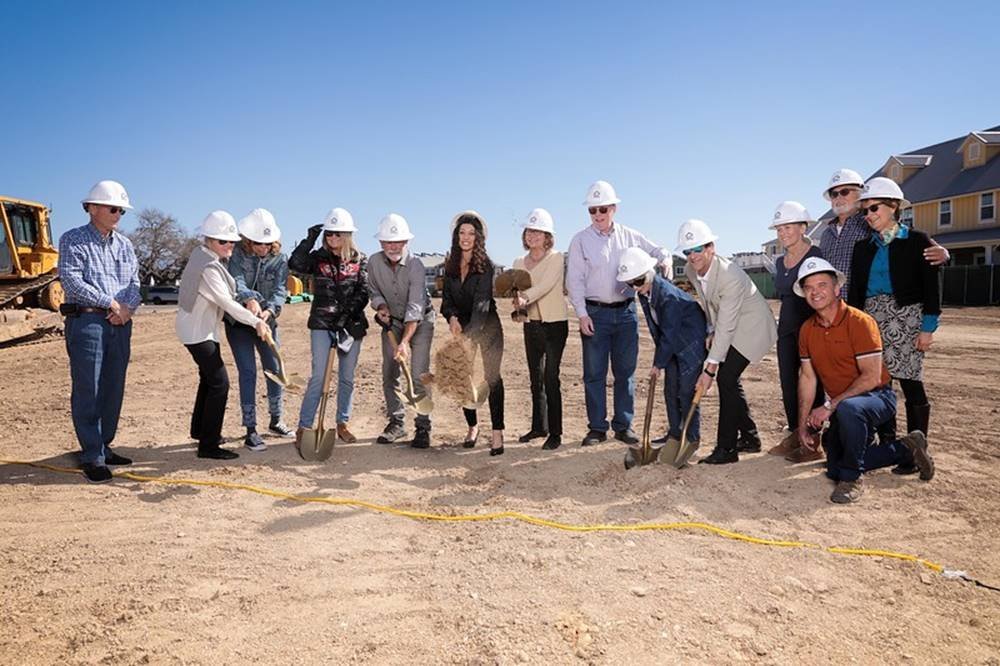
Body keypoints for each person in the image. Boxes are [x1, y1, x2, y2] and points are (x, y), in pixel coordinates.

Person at [795, 258, 934, 504]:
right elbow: (807, 378)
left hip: (877, 397)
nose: (815, 292)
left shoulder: (860, 322)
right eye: (808, 287)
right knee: (833, 468)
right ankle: (907, 448)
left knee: (849, 413)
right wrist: (803, 426)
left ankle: (852, 479)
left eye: (822, 284)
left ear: (837, 289)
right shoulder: (807, 329)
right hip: (843, 405)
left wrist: (829, 406)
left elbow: (870, 377)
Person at [848, 177, 941, 475]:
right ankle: (890, 446)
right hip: (872, 319)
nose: (869, 214)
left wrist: (928, 327)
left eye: (874, 207)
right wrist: (853, 326)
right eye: (865, 210)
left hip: (908, 318)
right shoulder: (862, 248)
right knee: (879, 383)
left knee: (911, 383)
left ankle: (916, 451)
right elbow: (855, 293)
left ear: (894, 207)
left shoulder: (917, 241)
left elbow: (931, 288)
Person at [566, 180, 668, 447]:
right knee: (594, 374)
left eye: (603, 209)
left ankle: (623, 426)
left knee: (625, 372)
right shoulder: (580, 241)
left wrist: (663, 265)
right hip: (594, 314)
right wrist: (582, 314)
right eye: (592, 210)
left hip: (625, 314)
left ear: (613, 209)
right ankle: (597, 428)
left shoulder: (631, 236)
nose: (598, 215)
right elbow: (574, 280)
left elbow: (659, 252)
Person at [58, 180, 141, 483]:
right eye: (113, 207)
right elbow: (71, 281)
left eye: (121, 209)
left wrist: (127, 309)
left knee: (113, 386)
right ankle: (92, 454)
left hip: (121, 323)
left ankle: (105, 445)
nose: (118, 213)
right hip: (88, 321)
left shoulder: (126, 245)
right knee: (88, 388)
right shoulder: (74, 240)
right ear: (92, 208)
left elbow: (135, 283)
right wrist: (111, 303)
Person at [679, 219, 777, 464]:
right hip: (730, 323)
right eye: (687, 251)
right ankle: (751, 438)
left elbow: (728, 324)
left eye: (698, 249)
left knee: (724, 377)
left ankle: (727, 449)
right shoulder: (692, 270)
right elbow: (711, 304)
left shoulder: (729, 276)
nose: (693, 256)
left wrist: (709, 369)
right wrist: (711, 329)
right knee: (730, 379)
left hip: (752, 327)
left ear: (711, 247)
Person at [176, 211, 270, 460]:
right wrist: (256, 323)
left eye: (231, 241)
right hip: (198, 332)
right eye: (222, 241)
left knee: (208, 380)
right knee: (220, 383)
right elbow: (226, 302)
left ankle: (200, 431)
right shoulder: (208, 267)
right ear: (209, 239)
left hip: (200, 329)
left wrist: (249, 301)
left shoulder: (203, 255)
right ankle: (208, 445)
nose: (228, 245)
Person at [615, 247, 707, 470]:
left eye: (637, 281)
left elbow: (670, 333)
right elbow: (660, 332)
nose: (634, 287)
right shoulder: (645, 293)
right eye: (630, 283)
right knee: (670, 391)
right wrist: (662, 359)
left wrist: (658, 363)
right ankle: (674, 434)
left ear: (648, 273)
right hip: (672, 346)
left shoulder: (667, 296)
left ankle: (690, 437)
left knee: (686, 392)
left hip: (690, 345)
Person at [289, 208, 369, 446]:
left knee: (346, 378)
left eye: (338, 235)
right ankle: (304, 426)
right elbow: (295, 265)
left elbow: (363, 291)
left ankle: (342, 423)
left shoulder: (359, 259)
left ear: (347, 235)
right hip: (322, 324)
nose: (333, 239)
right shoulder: (317, 257)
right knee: (318, 376)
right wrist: (309, 240)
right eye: (329, 235)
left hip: (351, 325)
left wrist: (346, 314)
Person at [819, 168, 949, 297]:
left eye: (844, 192)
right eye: (834, 194)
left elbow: (908, 240)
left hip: (866, 308)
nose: (838, 198)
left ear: (860, 193)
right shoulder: (826, 235)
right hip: (833, 308)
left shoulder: (872, 222)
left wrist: (943, 253)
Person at [224, 208, 292, 452]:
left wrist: (269, 311)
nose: (263, 248)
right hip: (240, 324)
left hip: (267, 322)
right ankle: (250, 429)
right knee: (248, 372)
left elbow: (280, 290)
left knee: (274, 369)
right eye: (257, 243)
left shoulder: (280, 259)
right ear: (248, 240)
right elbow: (237, 280)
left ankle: (276, 420)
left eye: (267, 243)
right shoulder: (237, 256)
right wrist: (250, 300)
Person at [367, 213, 436, 449]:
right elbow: (373, 291)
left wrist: (405, 342)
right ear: (381, 243)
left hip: (422, 321)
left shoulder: (416, 265)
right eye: (388, 242)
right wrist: (381, 307)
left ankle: (423, 426)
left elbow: (416, 306)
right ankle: (397, 422)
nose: (393, 246)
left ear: (406, 243)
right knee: (390, 372)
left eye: (398, 242)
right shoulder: (374, 262)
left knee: (418, 374)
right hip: (392, 322)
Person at [440, 211, 505, 455]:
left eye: (471, 233)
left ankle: (497, 432)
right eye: (462, 233)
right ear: (456, 236)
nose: (466, 237)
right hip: (463, 326)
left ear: (478, 238)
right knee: (463, 377)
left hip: (487, 327)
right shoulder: (450, 265)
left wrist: (465, 337)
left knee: (492, 378)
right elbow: (446, 300)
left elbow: (480, 306)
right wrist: (452, 317)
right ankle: (473, 426)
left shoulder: (485, 266)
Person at [767, 202, 825, 463]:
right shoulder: (780, 262)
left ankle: (813, 442)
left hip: (811, 328)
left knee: (813, 383)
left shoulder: (816, 255)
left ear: (803, 227)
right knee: (788, 384)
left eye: (788, 227)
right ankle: (795, 433)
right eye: (779, 228)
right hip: (786, 330)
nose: (783, 233)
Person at [511, 208, 568, 451]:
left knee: (550, 378)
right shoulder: (517, 262)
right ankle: (539, 426)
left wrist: (525, 297)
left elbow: (546, 285)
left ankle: (555, 433)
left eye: (538, 231)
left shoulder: (557, 258)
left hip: (554, 324)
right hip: (531, 325)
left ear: (548, 236)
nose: (532, 235)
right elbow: (514, 290)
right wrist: (517, 302)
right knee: (535, 378)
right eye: (529, 231)